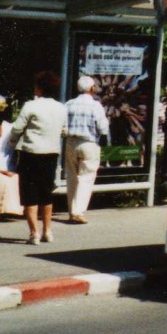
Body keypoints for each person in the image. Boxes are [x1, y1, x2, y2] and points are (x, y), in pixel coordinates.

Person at [9, 70, 67, 245]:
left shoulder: (30, 106)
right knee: (46, 193)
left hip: (30, 153)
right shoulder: (61, 108)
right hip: (51, 153)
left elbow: (17, 129)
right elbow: (64, 131)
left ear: (40, 88)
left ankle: (34, 233)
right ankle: (47, 231)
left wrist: (12, 142)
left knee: (29, 193)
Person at [65, 75, 109, 224]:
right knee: (86, 177)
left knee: (71, 177)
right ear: (92, 89)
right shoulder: (95, 105)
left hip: (71, 142)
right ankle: (78, 211)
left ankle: (72, 211)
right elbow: (103, 128)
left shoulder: (69, 104)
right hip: (89, 143)